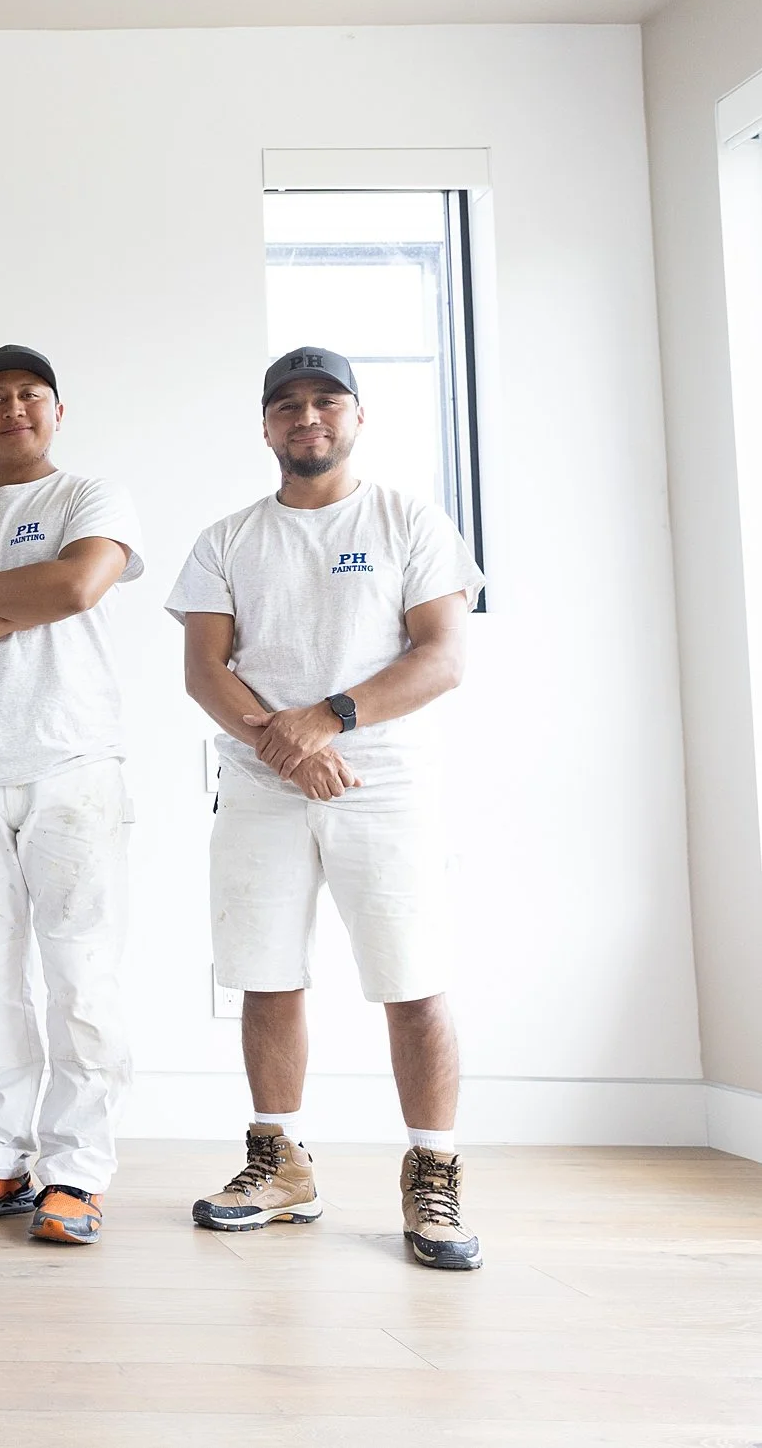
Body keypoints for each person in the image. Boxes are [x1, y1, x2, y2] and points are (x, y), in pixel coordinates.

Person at [166, 346, 485, 1272]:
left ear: (356, 416)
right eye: (288, 405)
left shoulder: (408, 519)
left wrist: (328, 720)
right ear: (266, 426)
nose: (308, 417)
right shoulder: (228, 537)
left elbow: (442, 656)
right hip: (264, 786)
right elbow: (203, 669)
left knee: (412, 979)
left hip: (383, 782)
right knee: (265, 975)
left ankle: (434, 1169)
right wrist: (287, 747)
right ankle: (280, 1163)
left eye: (327, 401)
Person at [0, 344, 142, 1247]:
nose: (13, 409)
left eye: (30, 396)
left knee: (81, 978)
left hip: (72, 766)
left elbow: (77, 582)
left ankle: (78, 1171)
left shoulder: (90, 496)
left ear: (56, 412)